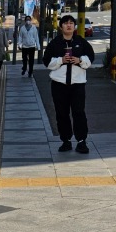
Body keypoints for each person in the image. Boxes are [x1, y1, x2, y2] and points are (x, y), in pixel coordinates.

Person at [43, 14, 95, 154]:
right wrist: (61, 60)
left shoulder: (81, 42)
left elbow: (91, 58)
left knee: (79, 112)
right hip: (59, 85)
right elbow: (47, 61)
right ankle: (65, 141)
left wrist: (79, 60)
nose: (69, 25)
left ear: (75, 26)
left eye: (71, 23)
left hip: (78, 84)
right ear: (61, 27)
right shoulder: (55, 43)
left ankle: (81, 141)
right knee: (62, 113)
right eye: (66, 23)